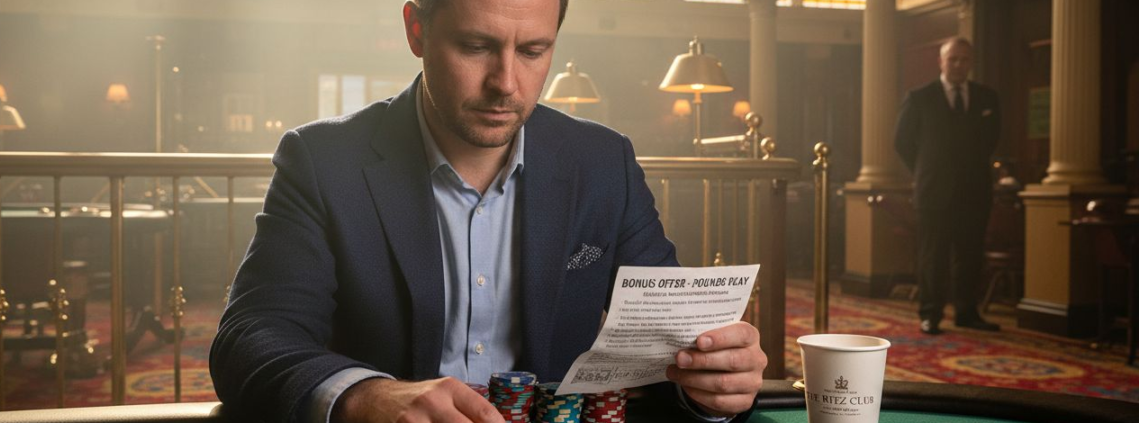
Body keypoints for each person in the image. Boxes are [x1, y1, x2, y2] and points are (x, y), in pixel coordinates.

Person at [209, 0, 767, 422]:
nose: (506, 84)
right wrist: (365, 396)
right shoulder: (322, 161)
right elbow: (252, 337)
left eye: (533, 52)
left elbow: (671, 344)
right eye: (476, 46)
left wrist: (715, 384)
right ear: (416, 30)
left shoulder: (603, 162)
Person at [894, 37, 1002, 335]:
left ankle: (967, 312)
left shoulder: (986, 98)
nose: (958, 65)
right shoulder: (920, 97)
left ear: (971, 63)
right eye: (952, 59)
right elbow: (902, 142)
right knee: (934, 257)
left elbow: (992, 140)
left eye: (964, 59)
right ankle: (930, 314)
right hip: (933, 192)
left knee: (970, 256)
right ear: (941, 61)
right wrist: (926, 170)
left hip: (975, 191)